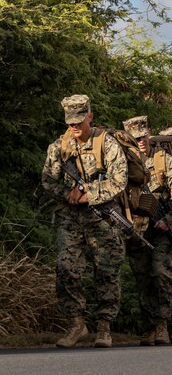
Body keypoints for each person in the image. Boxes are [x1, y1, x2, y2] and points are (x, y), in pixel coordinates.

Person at [42, 95, 128, 348]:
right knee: (66, 269)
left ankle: (104, 327)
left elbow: (119, 181)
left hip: (102, 216)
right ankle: (77, 324)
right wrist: (67, 194)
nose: (75, 126)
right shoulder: (59, 147)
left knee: (107, 271)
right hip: (70, 218)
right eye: (70, 122)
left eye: (80, 120)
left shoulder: (107, 144)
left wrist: (90, 194)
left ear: (90, 115)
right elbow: (48, 180)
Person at [122, 115, 172, 344]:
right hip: (136, 228)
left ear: (149, 135)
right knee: (142, 278)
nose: (141, 141)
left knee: (162, 273)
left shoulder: (164, 160)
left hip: (161, 227)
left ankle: (166, 325)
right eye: (136, 138)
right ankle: (152, 325)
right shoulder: (124, 161)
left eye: (144, 136)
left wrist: (169, 219)